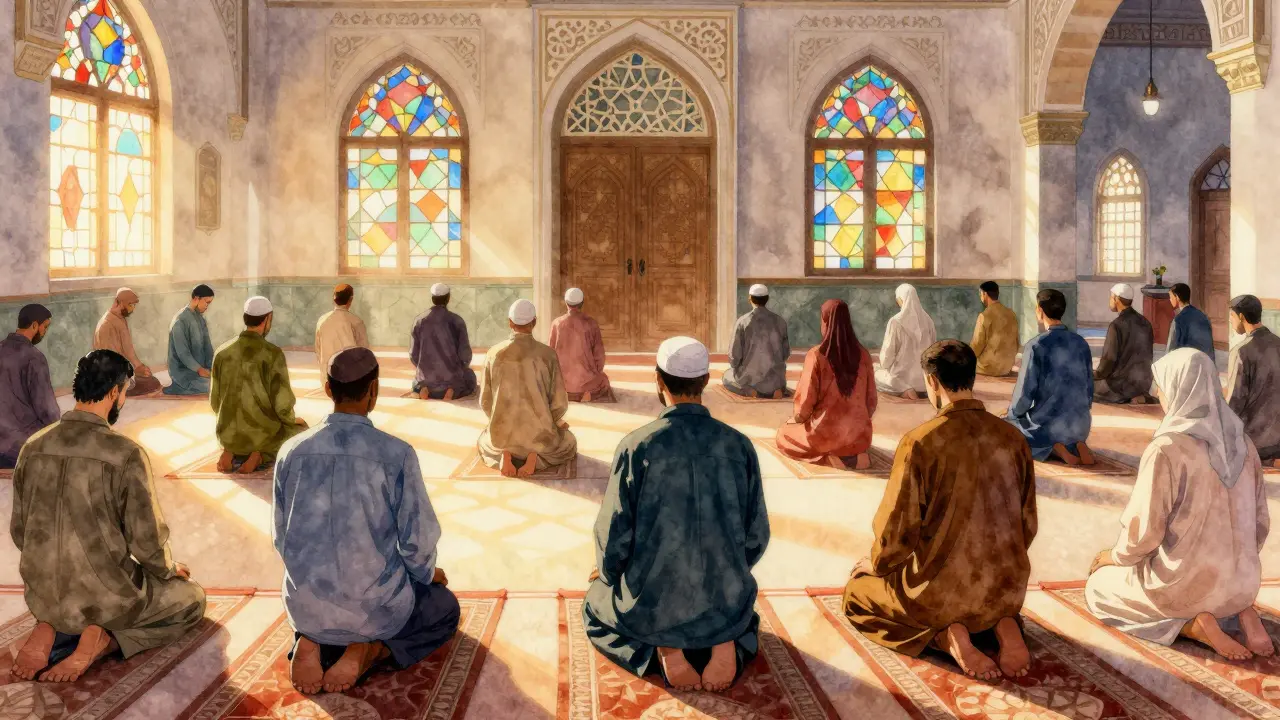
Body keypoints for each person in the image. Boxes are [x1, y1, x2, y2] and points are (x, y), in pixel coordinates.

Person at [584, 337, 769, 693]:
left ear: (658, 380)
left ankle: (665, 647)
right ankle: (724, 636)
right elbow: (756, 535)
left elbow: (614, 533)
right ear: (705, 381)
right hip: (725, 595)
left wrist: (608, 574)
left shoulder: (637, 445)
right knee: (738, 610)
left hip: (653, 600)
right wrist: (725, 572)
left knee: (595, 604)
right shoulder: (738, 445)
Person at [9, 350, 205, 683]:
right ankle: (105, 638)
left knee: (66, 595)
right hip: (107, 600)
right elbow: (147, 543)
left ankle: (49, 625)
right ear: (114, 392)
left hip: (43, 593)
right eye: (125, 392)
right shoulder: (123, 453)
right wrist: (168, 570)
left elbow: (19, 530)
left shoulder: (33, 446)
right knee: (191, 599)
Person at [844, 340, 1037, 680]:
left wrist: (876, 564)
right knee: (988, 597)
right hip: (1004, 586)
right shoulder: (1012, 438)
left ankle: (946, 636)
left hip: (939, 593)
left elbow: (897, 530)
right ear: (972, 376)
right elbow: (1028, 523)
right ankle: (1005, 623)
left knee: (858, 594)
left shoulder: (921, 441)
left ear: (932, 382)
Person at [274, 348, 459, 695]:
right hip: (374, 611)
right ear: (373, 390)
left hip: (307, 606)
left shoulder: (291, 451)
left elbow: (281, 537)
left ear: (328, 390)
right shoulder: (396, 454)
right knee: (443, 607)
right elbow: (416, 543)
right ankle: (370, 648)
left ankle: (309, 639)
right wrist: (427, 573)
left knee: (327, 601)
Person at [1086, 348, 1272, 661]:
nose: (1159, 393)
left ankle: (1192, 625)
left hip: (1185, 588)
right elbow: (1261, 524)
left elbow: (1144, 534)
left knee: (1098, 589)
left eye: (1162, 385)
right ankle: (1242, 611)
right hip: (1242, 583)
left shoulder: (1167, 448)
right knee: (1218, 581)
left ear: (1177, 388)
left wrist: (1112, 556)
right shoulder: (1244, 444)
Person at [478, 300, 577, 477]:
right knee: (569, 442)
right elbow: (560, 403)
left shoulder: (494, 353)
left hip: (502, 435)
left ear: (510, 322)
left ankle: (506, 453)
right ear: (534, 322)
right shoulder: (548, 354)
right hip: (540, 436)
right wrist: (553, 421)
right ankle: (534, 457)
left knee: (483, 440)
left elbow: (485, 401)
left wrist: (499, 419)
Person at [775, 299, 878, 470]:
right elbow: (871, 403)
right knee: (850, 439)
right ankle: (854, 457)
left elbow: (804, 407)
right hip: (860, 437)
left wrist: (795, 420)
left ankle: (827, 458)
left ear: (825, 321)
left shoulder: (816, 355)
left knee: (783, 434)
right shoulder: (864, 355)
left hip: (825, 436)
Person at [211, 296, 307, 474]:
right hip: (261, 437)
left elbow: (215, 402)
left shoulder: (222, 353)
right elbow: (283, 404)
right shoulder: (272, 354)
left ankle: (229, 451)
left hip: (228, 434)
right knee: (301, 431)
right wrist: (293, 421)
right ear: (267, 318)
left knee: (239, 434)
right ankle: (260, 456)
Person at [1007, 289, 1096, 465]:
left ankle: (1054, 448)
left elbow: (1024, 395)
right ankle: (1076, 444)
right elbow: (1089, 389)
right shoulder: (1081, 343)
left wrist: (1012, 415)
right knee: (1063, 422)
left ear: (1040, 310)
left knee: (1008, 428)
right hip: (1080, 425)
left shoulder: (1036, 346)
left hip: (1049, 427)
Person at [0, 305, 59, 469]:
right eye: (45, 327)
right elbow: (47, 410)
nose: (45, 332)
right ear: (34, 325)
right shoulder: (34, 358)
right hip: (21, 447)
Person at [1226, 294, 1280, 468]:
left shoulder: (1241, 352)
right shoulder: (1278, 344)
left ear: (1241, 317)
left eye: (1232, 316)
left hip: (1253, 442)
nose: (1230, 321)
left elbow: (1235, 402)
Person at [410, 283, 476, 401]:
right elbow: (465, 355)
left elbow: (413, 355)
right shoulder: (457, 320)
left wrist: (425, 370)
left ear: (432, 298)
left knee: (416, 382)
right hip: (451, 378)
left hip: (427, 379)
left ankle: (424, 388)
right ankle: (452, 389)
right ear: (448, 298)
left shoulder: (419, 320)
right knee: (470, 377)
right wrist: (457, 370)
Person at [722, 284, 790, 399]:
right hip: (775, 380)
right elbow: (786, 353)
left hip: (750, 379)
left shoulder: (742, 322)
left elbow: (734, 357)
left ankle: (751, 391)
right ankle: (778, 390)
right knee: (775, 379)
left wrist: (739, 367)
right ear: (767, 299)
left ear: (750, 299)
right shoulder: (780, 321)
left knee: (726, 376)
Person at [93, 288, 162, 397]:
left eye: (134, 306)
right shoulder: (112, 322)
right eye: (131, 305)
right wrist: (138, 367)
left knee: (148, 380)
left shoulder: (115, 317)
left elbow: (125, 350)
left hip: (112, 370)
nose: (132, 309)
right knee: (151, 383)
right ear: (119, 302)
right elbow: (126, 350)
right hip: (111, 374)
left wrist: (137, 368)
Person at [549, 287, 613, 403]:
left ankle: (565, 394)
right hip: (586, 383)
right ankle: (587, 395)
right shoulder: (591, 323)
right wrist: (595, 373)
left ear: (566, 302)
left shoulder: (556, 323)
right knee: (604, 381)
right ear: (582, 303)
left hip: (562, 383)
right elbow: (599, 357)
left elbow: (550, 354)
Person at [1094, 284, 1155, 404]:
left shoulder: (1116, 325)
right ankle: (1141, 397)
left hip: (1119, 388)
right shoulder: (1145, 322)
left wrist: (1093, 374)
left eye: (1111, 297)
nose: (1110, 301)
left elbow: (1108, 363)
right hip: (1142, 385)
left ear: (1116, 299)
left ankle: (1125, 399)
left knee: (1084, 383)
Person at [876, 284, 937, 399]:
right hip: (926, 381)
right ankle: (922, 389)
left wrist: (884, 365)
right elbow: (934, 349)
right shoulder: (929, 320)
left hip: (902, 379)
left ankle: (906, 389)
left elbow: (886, 360)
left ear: (900, 299)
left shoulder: (895, 321)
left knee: (876, 373)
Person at [165, 285, 217, 396]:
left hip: (202, 371)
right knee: (216, 386)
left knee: (225, 380)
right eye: (207, 302)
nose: (207, 306)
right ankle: (178, 387)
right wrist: (199, 369)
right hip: (183, 373)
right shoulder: (179, 321)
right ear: (196, 298)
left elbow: (207, 347)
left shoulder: (200, 319)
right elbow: (183, 353)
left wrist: (213, 366)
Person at [314, 283, 369, 376]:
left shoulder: (322, 320)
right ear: (350, 299)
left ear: (333, 298)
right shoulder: (356, 321)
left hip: (327, 375)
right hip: (350, 376)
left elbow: (318, 350)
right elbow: (364, 352)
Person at [970, 281, 1019, 377]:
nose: (981, 297)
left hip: (989, 367)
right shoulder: (1011, 314)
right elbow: (1017, 342)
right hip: (1007, 366)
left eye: (981, 294)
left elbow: (977, 345)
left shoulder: (984, 316)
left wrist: (966, 359)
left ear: (985, 294)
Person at [1167, 282, 1216, 359]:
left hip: (1186, 363)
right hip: (1205, 362)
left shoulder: (1178, 320)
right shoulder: (1203, 316)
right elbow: (1209, 347)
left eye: (1170, 296)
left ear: (1177, 297)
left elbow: (1171, 349)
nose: (1170, 300)